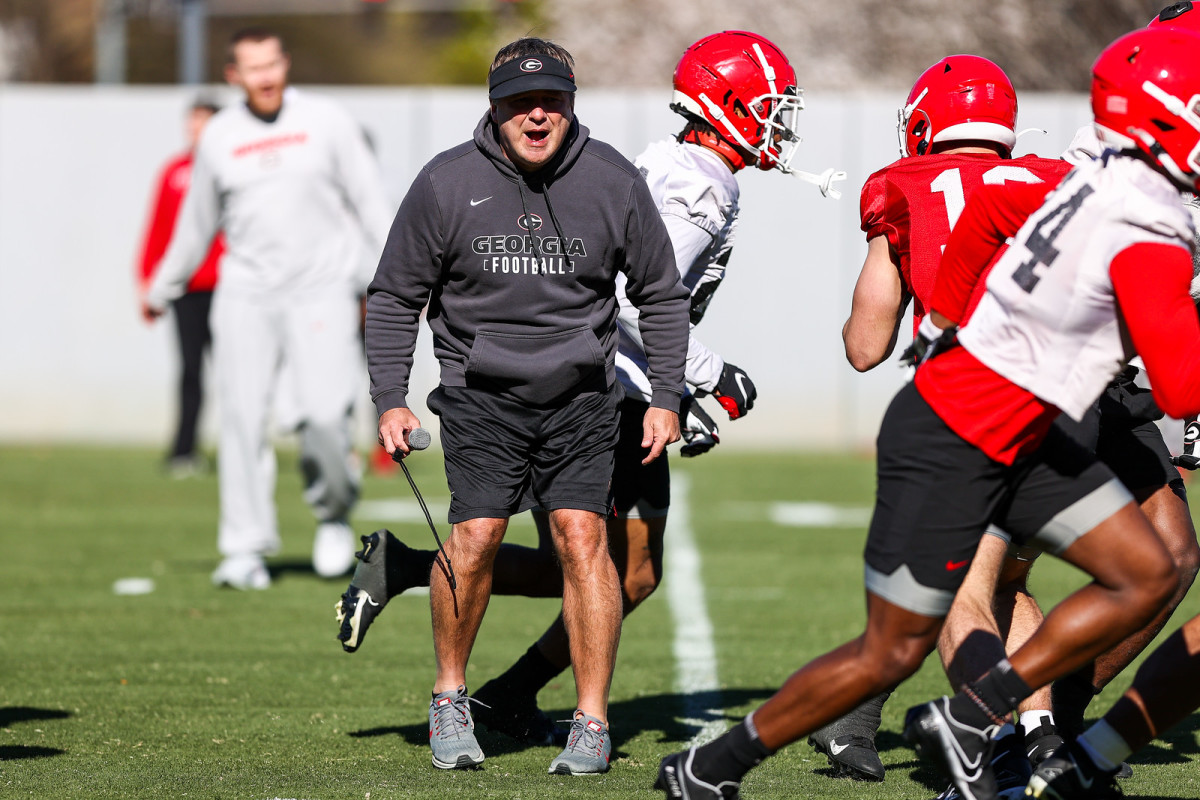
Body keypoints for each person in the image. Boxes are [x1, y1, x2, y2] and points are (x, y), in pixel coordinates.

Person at [656, 23, 1200, 800]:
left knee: (1147, 572)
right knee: (892, 649)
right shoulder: (1124, 211)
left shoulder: (1061, 186)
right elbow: (1180, 387)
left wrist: (944, 319)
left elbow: (965, 234)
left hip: (1031, 422)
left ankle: (982, 716)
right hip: (961, 427)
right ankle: (710, 766)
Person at [334, 29, 840, 748]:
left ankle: (498, 675)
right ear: (725, 103)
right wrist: (697, 377)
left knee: (603, 566)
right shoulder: (690, 180)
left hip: (624, 387)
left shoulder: (668, 170)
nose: (777, 122)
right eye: (765, 105)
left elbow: (650, 299)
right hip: (600, 392)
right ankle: (472, 647)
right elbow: (633, 301)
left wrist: (676, 390)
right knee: (605, 567)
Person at [363, 37, 689, 775]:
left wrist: (664, 396)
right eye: (519, 103)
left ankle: (592, 721)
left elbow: (661, 295)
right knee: (474, 539)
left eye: (551, 102)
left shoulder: (613, 180)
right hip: (481, 400)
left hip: (582, 401)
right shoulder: (445, 182)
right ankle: (450, 698)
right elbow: (394, 297)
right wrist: (390, 398)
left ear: (572, 106)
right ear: (494, 106)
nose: (535, 117)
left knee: (583, 541)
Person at [826, 55, 1074, 791]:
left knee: (951, 584)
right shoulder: (1055, 177)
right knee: (1008, 578)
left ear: (927, 119)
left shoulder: (899, 186)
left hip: (962, 411)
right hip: (1061, 407)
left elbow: (865, 346)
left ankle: (984, 740)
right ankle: (1042, 738)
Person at [142, 28, 393, 590]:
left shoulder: (328, 121)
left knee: (328, 416)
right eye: (253, 68)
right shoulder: (220, 137)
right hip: (246, 294)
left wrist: (401, 274)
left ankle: (332, 514)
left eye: (273, 63)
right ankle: (244, 547)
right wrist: (163, 286)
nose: (266, 76)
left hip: (322, 288)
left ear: (284, 65)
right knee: (242, 418)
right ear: (234, 76)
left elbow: (371, 203)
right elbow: (196, 223)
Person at [137, 97, 224, 478]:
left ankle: (244, 451)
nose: (195, 130)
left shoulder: (232, 167)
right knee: (190, 370)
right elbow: (158, 231)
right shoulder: (174, 172)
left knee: (240, 374)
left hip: (231, 289)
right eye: (192, 123)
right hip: (189, 289)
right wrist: (149, 282)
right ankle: (183, 450)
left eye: (203, 123)